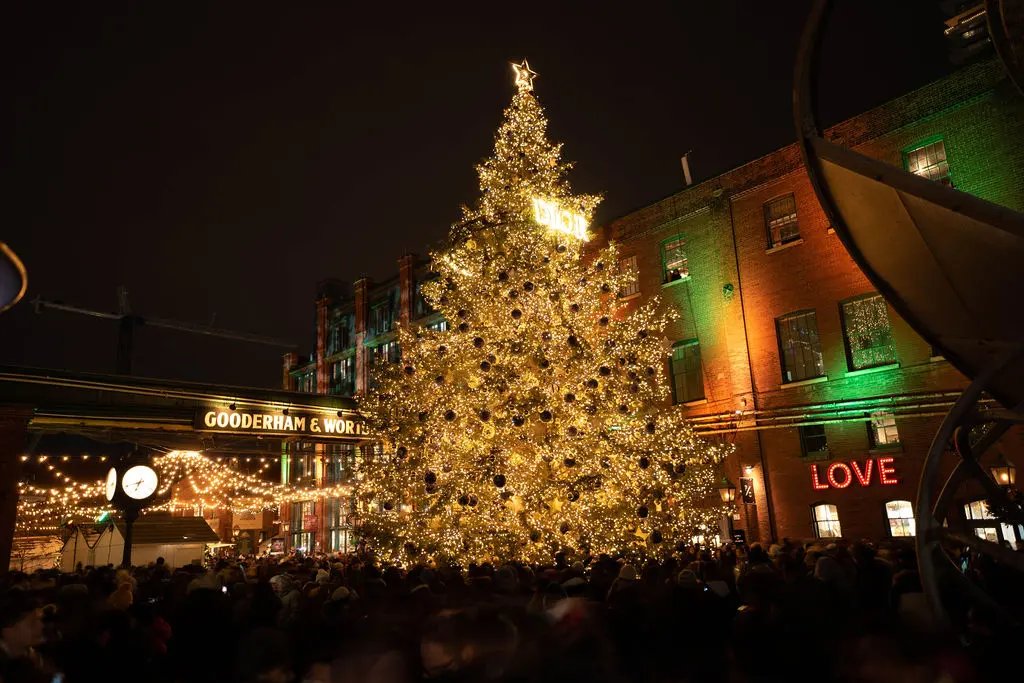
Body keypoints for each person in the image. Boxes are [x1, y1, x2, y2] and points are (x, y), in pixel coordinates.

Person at [0, 591, 56, 682]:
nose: (41, 626)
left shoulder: (36, 655)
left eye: (40, 621)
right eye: (32, 623)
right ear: (7, 630)